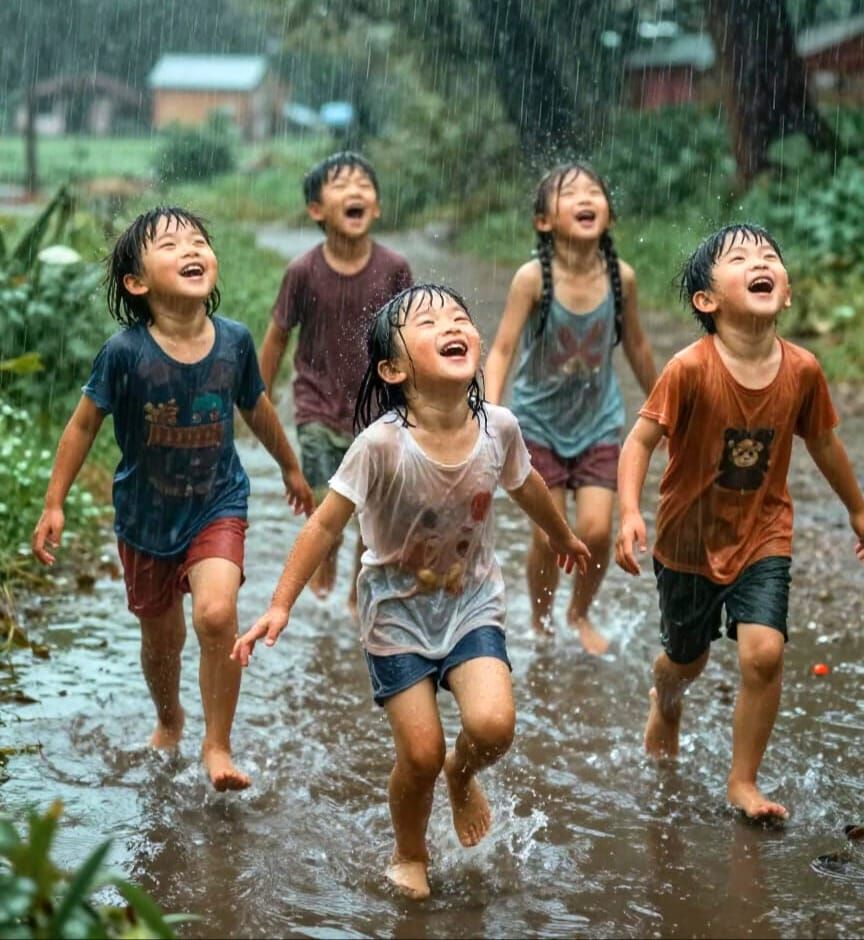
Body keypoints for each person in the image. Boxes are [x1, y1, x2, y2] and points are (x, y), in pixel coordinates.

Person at [232, 284, 590, 898]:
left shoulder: (498, 427)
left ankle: (463, 774)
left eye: (459, 317)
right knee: (419, 753)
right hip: (395, 615)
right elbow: (325, 523)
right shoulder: (381, 445)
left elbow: (525, 485)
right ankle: (409, 851)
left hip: (471, 601)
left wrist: (563, 534)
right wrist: (280, 603)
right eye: (428, 322)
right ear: (394, 369)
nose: (452, 324)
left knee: (494, 725)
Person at [32, 207, 314, 792]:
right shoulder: (125, 354)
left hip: (217, 502)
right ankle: (169, 718)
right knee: (162, 641)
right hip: (145, 516)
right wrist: (54, 502)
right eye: (170, 245)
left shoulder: (233, 342)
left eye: (199, 241)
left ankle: (218, 744)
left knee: (216, 614)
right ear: (137, 283)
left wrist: (289, 466)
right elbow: (83, 426)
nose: (192, 249)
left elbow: (255, 408)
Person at [614, 223, 864, 821]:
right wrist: (628, 510)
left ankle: (743, 782)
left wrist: (857, 508)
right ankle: (665, 698)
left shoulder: (802, 370)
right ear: (707, 300)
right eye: (741, 258)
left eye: (770, 257)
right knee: (687, 660)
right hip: (687, 540)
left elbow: (825, 445)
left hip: (763, 533)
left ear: (786, 291)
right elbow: (640, 441)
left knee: (764, 655)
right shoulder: (690, 369)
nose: (761, 262)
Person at [484, 163, 657, 652]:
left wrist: (670, 406)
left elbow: (639, 349)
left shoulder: (621, 278)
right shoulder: (532, 279)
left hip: (599, 422)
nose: (586, 197)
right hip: (537, 423)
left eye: (594, 192)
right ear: (545, 222)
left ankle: (578, 612)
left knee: (599, 531)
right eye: (570, 193)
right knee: (547, 537)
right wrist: (490, 416)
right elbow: (501, 350)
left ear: (608, 214)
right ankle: (541, 618)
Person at [258, 151, 413, 605]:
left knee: (376, 512)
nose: (356, 192)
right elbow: (276, 339)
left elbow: (410, 336)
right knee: (331, 505)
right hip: (317, 408)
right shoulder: (303, 271)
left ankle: (356, 589)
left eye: (365, 185)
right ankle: (326, 557)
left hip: (378, 413)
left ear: (378, 207)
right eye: (342, 185)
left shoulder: (394, 268)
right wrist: (258, 401)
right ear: (316, 210)